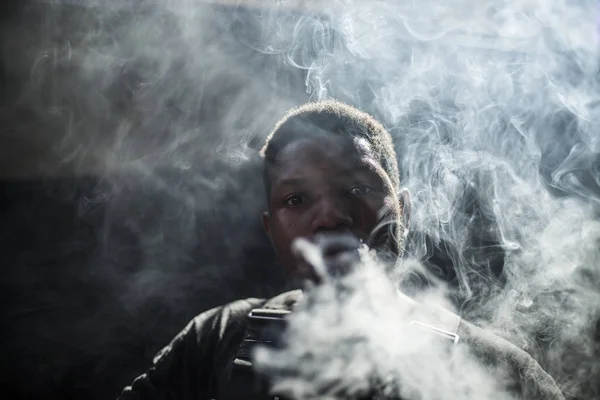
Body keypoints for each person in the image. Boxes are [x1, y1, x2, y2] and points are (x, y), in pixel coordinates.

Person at [117, 101, 565, 400]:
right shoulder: (215, 339)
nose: (331, 215)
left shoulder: (498, 371)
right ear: (272, 230)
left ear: (403, 211)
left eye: (358, 187)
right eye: (296, 199)